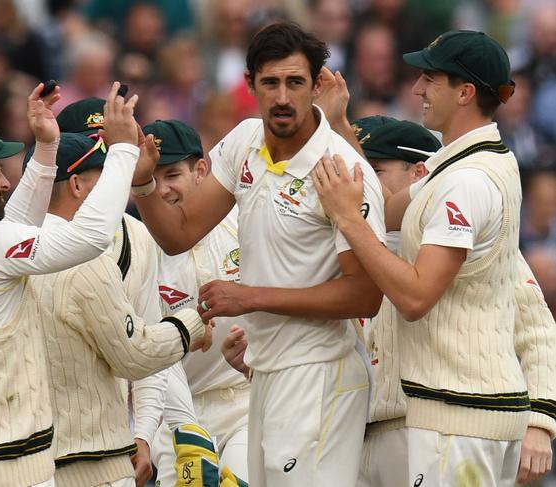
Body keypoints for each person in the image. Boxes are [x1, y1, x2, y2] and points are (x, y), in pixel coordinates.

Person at [131, 22, 386, 486]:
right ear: (250, 85)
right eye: (270, 83)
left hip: (320, 375)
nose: (283, 97)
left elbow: (365, 296)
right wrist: (143, 183)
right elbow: (178, 233)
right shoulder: (245, 140)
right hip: (263, 375)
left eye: (295, 83)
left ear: (316, 86)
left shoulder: (343, 170)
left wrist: (249, 298)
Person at [313, 30, 547, 486]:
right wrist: (338, 127)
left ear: (464, 92)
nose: (417, 89)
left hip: (456, 416)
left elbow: (416, 296)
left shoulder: (468, 181)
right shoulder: (459, 168)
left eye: (430, 79)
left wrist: (351, 222)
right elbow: (384, 210)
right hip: (452, 415)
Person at [0, 81, 139, 487]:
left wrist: (46, 148)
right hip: (14, 470)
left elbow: (12, 229)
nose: (4, 181)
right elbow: (87, 238)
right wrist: (122, 151)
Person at [25, 130, 212, 487]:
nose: (114, 193)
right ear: (78, 185)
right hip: (90, 461)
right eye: (104, 181)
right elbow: (136, 353)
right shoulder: (87, 261)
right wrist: (193, 322)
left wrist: (142, 433)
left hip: (21, 460)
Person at [141, 119, 250, 485]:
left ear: (201, 170)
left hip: (247, 402)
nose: (163, 189)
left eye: (172, 175)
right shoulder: (138, 245)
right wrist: (185, 425)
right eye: (151, 178)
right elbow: (149, 350)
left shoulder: (243, 222)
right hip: (179, 413)